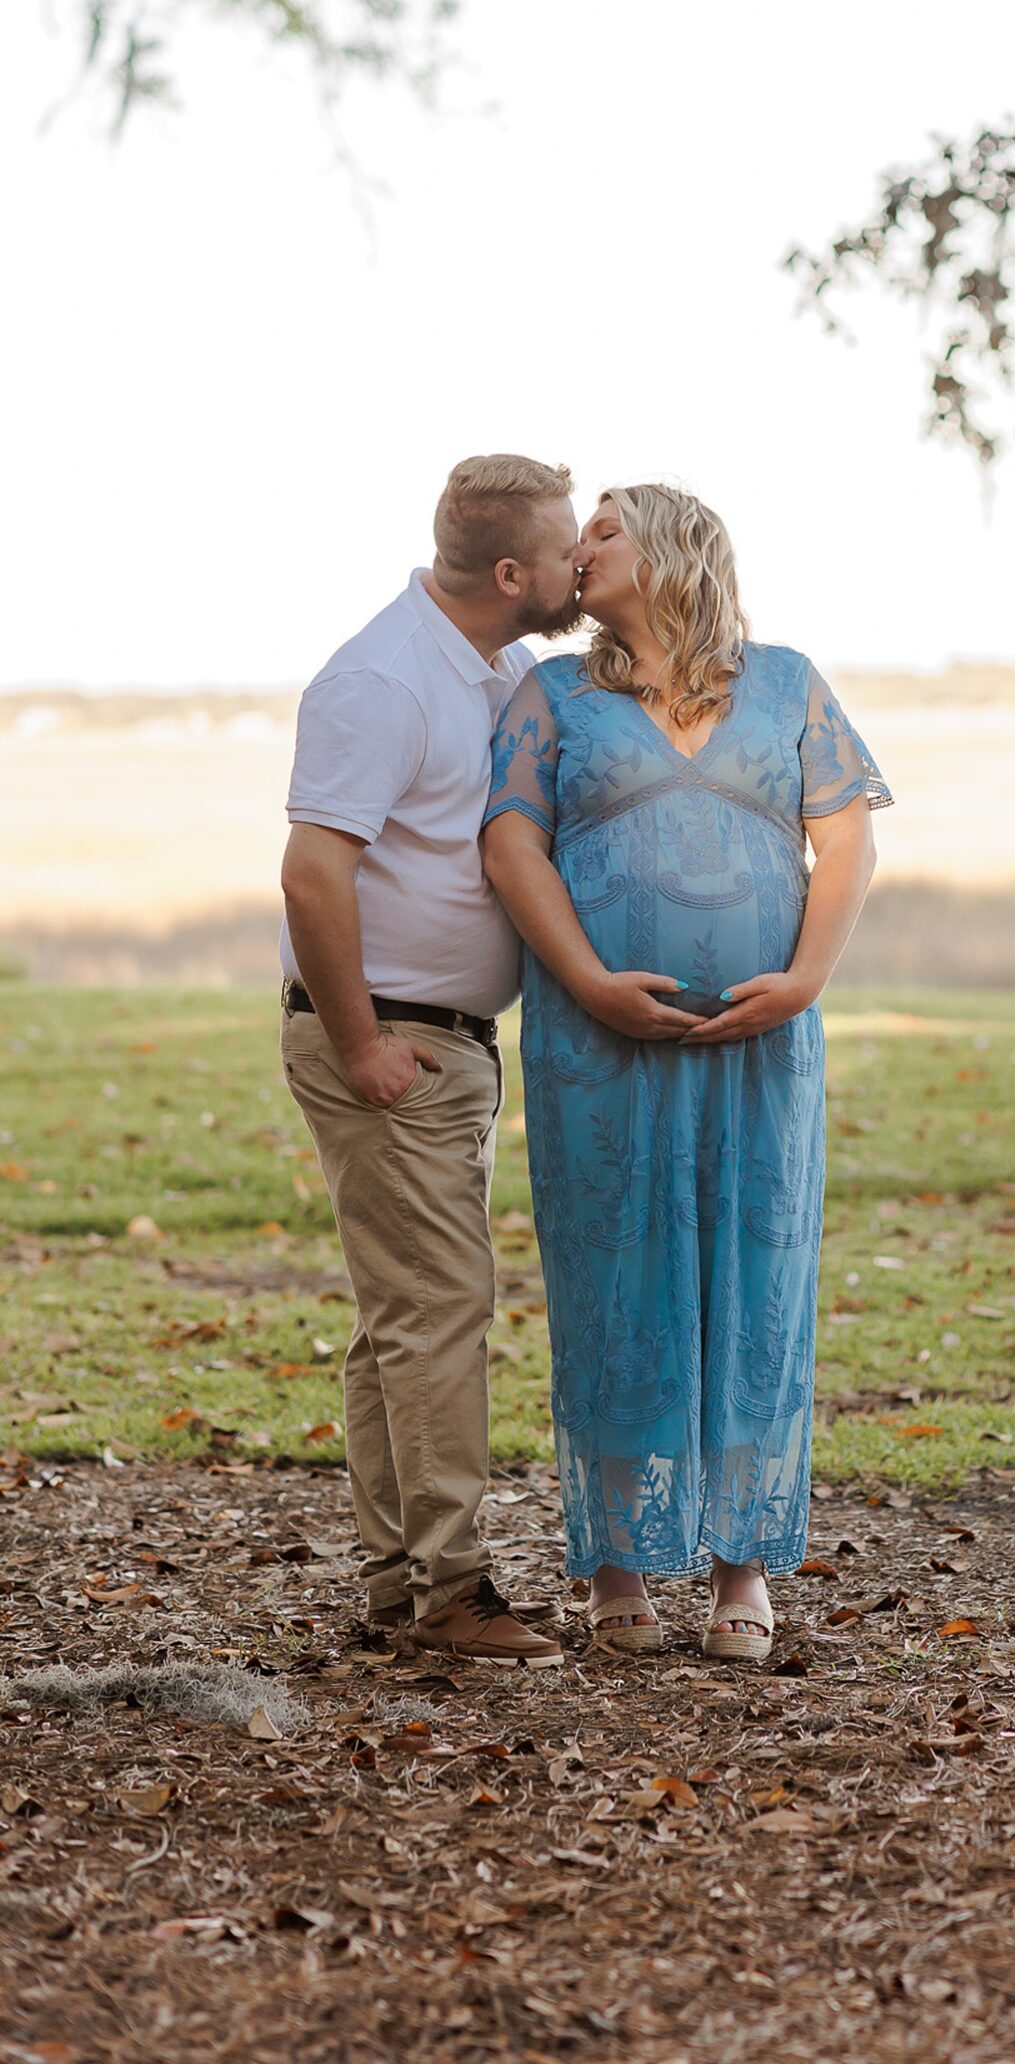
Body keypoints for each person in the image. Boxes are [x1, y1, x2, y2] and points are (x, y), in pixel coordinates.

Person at [481, 483, 888, 1662]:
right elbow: (511, 843)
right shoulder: (553, 694)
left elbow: (848, 832)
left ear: (671, 547)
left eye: (603, 527)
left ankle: (739, 1569)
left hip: (763, 1049)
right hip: (597, 1042)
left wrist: (806, 976)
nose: (578, 547)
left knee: (754, 1274)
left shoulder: (788, 680)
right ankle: (618, 1567)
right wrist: (592, 979)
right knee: (618, 1275)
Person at [279, 454, 582, 1665]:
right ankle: (450, 1594)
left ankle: (398, 1584)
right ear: (513, 574)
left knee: (401, 1318)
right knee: (440, 1310)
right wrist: (361, 1043)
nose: (580, 566)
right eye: (567, 550)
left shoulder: (498, 668)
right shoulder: (382, 681)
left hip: (444, 1046)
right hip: (389, 1041)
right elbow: (313, 870)